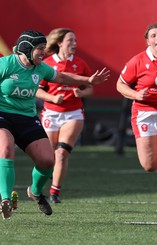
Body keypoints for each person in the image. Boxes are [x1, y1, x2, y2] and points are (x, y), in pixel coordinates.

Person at [0, 30, 110, 220]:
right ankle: (5, 199)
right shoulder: (6, 64)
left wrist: (88, 80)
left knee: (47, 161)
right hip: (3, 115)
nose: (43, 53)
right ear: (27, 49)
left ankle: (34, 191)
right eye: (40, 49)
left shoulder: (41, 68)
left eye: (44, 48)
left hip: (27, 118)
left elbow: (62, 77)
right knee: (6, 149)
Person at [115, 24, 157, 213]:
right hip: (145, 113)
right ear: (148, 41)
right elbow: (120, 85)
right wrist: (136, 95)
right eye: (153, 35)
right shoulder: (137, 61)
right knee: (150, 165)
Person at [35, 28, 92, 204]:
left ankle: (54, 192)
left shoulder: (81, 64)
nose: (74, 44)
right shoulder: (47, 64)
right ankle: (39, 188)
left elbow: (90, 87)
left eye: (75, 40)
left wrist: (81, 94)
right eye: (70, 40)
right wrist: (52, 98)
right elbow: (36, 89)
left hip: (73, 113)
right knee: (48, 156)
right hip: (51, 113)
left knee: (61, 153)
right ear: (60, 43)